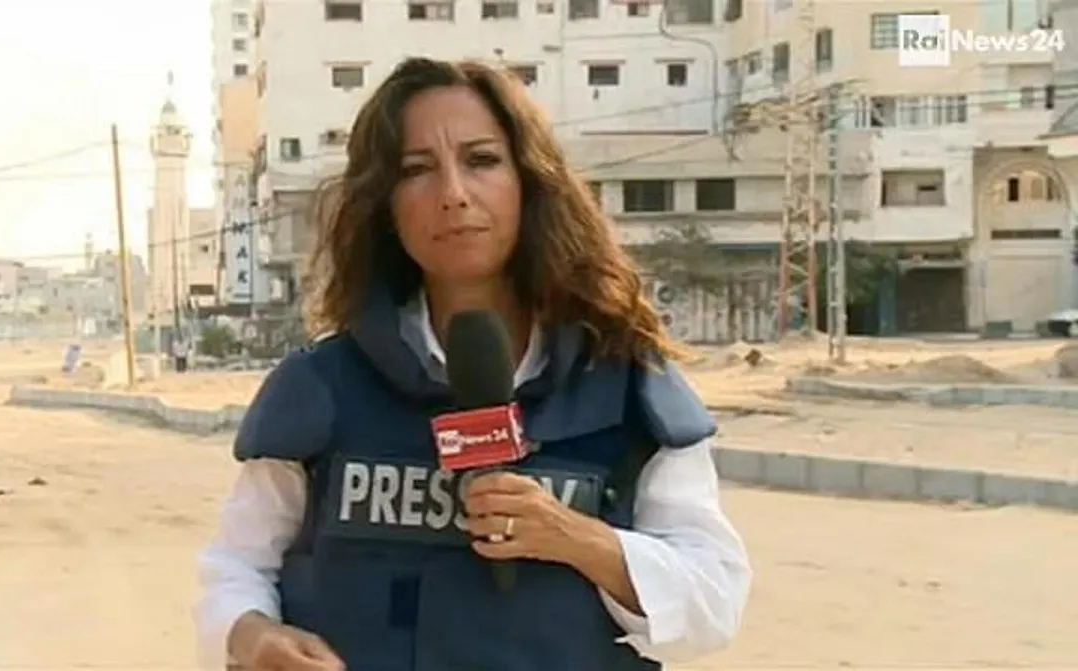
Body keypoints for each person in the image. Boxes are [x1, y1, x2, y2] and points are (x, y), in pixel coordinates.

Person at [194, 57, 751, 671]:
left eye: (482, 160)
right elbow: (237, 566)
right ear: (385, 203)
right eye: (416, 169)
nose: (453, 194)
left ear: (530, 181)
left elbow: (713, 600)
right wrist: (251, 634)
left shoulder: (625, 387)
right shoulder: (321, 389)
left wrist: (578, 538)